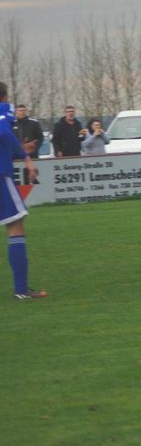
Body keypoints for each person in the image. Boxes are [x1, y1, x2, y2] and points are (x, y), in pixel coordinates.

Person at [0, 83, 46, 300]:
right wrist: (26, 156)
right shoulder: (4, 108)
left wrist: (18, 151)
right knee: (16, 225)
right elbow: (3, 132)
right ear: (4, 96)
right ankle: (21, 289)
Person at [12, 105, 44, 185]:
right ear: (16, 112)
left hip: (32, 157)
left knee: (34, 182)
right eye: (20, 110)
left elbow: (40, 138)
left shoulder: (33, 123)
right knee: (20, 183)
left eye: (23, 110)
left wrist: (34, 149)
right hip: (16, 158)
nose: (22, 112)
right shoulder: (11, 123)